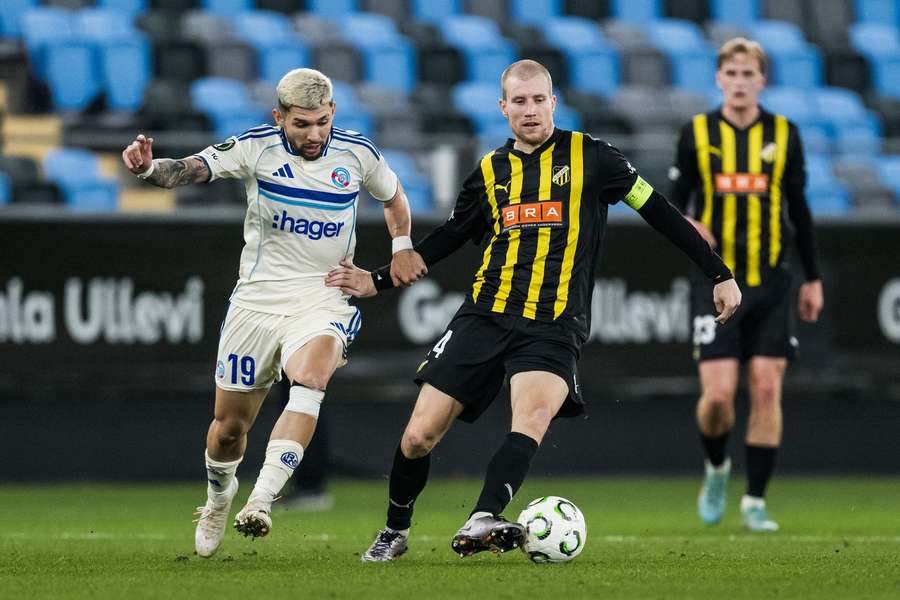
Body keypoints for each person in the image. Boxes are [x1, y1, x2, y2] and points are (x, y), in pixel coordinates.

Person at [325, 59, 742, 562]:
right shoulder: (489, 171)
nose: (530, 110)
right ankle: (395, 530)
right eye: (518, 101)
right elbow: (454, 235)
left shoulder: (594, 158)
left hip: (555, 322)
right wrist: (377, 279)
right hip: (485, 315)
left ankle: (482, 516)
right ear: (503, 108)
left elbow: (659, 212)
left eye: (538, 99)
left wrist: (718, 273)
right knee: (418, 435)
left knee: (533, 415)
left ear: (553, 102)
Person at [121, 68, 426, 558]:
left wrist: (402, 245)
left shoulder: (358, 154)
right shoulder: (255, 147)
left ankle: (262, 500)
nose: (314, 134)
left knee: (312, 377)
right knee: (228, 429)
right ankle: (220, 497)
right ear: (278, 116)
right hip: (257, 302)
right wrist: (146, 170)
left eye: (323, 122)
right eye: (302, 124)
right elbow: (190, 169)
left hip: (323, 296)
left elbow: (393, 197)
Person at [668, 39, 824, 532]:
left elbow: (798, 210)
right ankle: (717, 467)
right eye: (731, 73)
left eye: (747, 73)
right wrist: (691, 223)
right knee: (717, 397)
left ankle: (755, 501)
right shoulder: (696, 133)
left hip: (773, 280)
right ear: (718, 79)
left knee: (764, 386)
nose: (739, 81)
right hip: (716, 282)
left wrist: (813, 277)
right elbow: (671, 207)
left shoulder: (784, 134)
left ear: (762, 80)